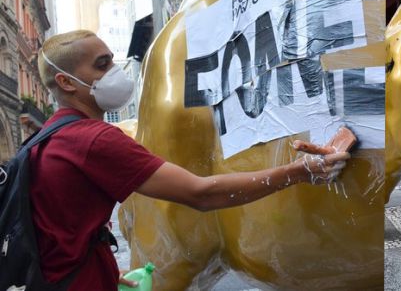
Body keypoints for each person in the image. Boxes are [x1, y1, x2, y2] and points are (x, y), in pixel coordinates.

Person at [31, 30, 350, 290]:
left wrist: (103, 272)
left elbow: (57, 231)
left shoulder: (48, 137)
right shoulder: (93, 140)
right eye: (102, 65)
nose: (115, 72)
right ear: (66, 82)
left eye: (113, 61)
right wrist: (298, 171)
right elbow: (201, 193)